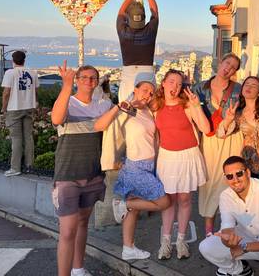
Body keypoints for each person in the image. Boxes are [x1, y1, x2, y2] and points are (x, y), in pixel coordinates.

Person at [94, 76, 170, 260]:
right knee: (164, 203)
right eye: (144, 90)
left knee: (134, 210)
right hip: (135, 167)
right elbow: (101, 127)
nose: (148, 95)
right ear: (135, 89)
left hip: (148, 166)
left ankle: (128, 248)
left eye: (151, 93)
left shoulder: (147, 111)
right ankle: (122, 204)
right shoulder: (126, 108)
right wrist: (120, 106)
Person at [51, 62, 112, 276]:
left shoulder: (102, 105)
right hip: (67, 176)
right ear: (77, 80)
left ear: (97, 82)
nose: (89, 81)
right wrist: (65, 86)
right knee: (67, 231)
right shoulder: (68, 102)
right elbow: (56, 119)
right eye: (84, 77)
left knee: (83, 222)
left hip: (93, 174)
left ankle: (78, 269)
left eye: (93, 78)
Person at [101, 0, 159, 171]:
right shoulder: (150, 31)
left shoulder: (123, 31)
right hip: (146, 73)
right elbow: (155, 13)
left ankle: (119, 159)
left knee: (124, 114)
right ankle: (152, 157)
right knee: (150, 116)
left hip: (128, 74)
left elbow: (119, 12)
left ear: (128, 19)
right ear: (142, 18)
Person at [153, 70, 210, 260]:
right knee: (168, 201)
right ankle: (166, 242)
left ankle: (181, 241)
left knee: (185, 200)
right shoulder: (155, 107)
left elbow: (205, 128)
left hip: (187, 156)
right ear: (163, 84)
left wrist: (197, 106)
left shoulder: (187, 105)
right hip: (166, 158)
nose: (175, 87)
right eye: (171, 82)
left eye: (179, 84)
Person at [192, 53, 244, 237]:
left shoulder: (238, 89)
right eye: (227, 63)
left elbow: (245, 113)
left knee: (229, 180)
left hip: (231, 139)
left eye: (233, 67)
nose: (228, 68)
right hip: (209, 140)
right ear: (220, 62)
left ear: (234, 72)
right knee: (209, 183)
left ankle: (227, 228)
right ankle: (208, 231)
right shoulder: (199, 88)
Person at [1, 50, 39, 177]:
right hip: (29, 107)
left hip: (14, 108)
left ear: (13, 60)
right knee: (28, 137)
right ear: (24, 60)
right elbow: (35, 91)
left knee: (16, 138)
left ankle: (15, 168)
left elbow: (6, 93)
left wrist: (3, 108)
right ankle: (29, 166)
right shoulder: (33, 73)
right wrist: (35, 103)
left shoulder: (10, 73)